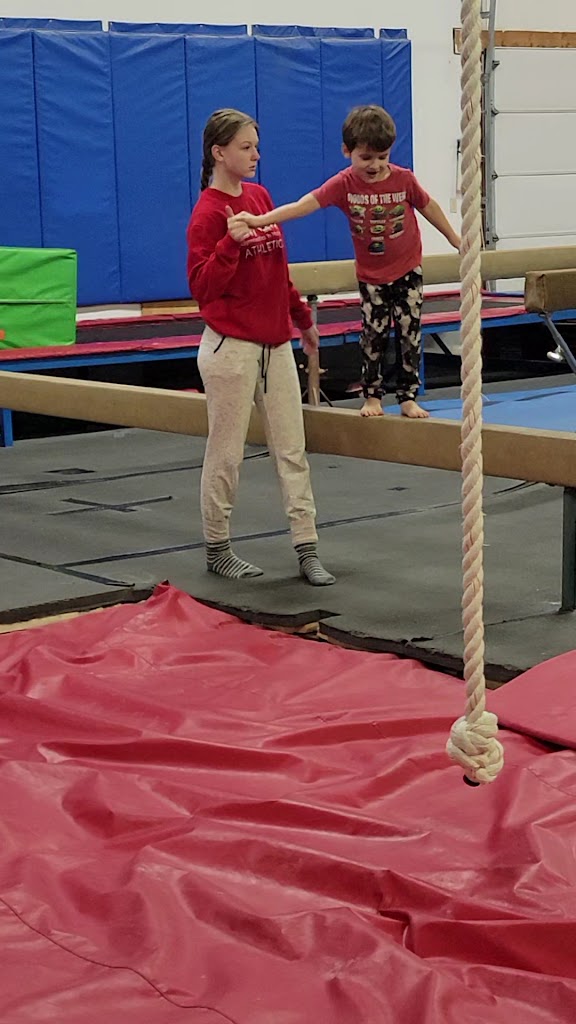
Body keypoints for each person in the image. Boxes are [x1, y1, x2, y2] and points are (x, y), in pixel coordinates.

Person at [232, 105, 461, 419]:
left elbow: (429, 206)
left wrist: (454, 239)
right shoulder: (344, 184)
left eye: (382, 157)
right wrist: (260, 220)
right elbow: (303, 205)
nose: (375, 165)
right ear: (346, 151)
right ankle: (372, 396)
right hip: (372, 276)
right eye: (366, 158)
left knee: (410, 332)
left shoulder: (404, 179)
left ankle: (408, 397)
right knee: (373, 335)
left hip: (408, 268)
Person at [186, 108, 335, 586]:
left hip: (275, 344)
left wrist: (302, 320)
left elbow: (277, 269)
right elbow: (202, 288)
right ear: (219, 153)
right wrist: (230, 245)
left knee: (292, 449)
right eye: (246, 147)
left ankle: (307, 547)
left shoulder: (260, 196)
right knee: (226, 452)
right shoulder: (208, 213)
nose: (255, 155)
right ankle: (217, 548)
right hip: (230, 348)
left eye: (256, 146)